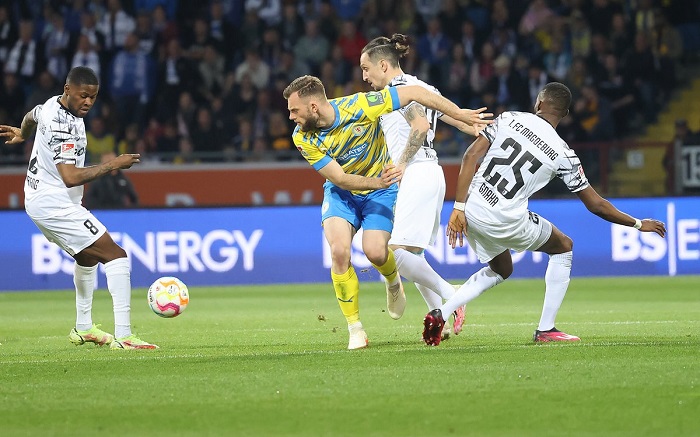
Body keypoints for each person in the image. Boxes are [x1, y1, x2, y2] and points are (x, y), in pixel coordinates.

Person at [422, 82, 667, 346]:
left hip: (471, 210)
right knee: (563, 247)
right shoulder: (564, 154)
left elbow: (470, 156)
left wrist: (458, 207)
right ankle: (546, 329)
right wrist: (637, 223)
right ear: (565, 114)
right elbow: (596, 204)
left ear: (539, 103)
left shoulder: (509, 118)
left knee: (502, 268)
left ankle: (442, 313)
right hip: (506, 219)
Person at [283, 75, 489, 349]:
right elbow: (340, 178)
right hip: (343, 192)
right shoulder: (301, 137)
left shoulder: (359, 106)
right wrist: (378, 182)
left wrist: (459, 113)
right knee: (339, 252)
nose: (291, 117)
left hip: (379, 192)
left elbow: (413, 92)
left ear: (313, 107)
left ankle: (393, 282)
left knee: (376, 252)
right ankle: (355, 328)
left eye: (294, 110)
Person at [0, 66, 157, 350]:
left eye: (93, 97)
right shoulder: (64, 126)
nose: (88, 102)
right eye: (83, 95)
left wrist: (23, 133)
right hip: (54, 203)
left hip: (40, 199)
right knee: (116, 256)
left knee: (87, 257)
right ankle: (124, 337)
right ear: (67, 90)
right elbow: (71, 177)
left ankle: (84, 328)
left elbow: (32, 115)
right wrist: (113, 164)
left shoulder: (51, 104)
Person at [359, 33, 486, 340]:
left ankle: (453, 296)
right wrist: (484, 130)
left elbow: (421, 125)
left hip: (416, 172)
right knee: (414, 253)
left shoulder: (399, 90)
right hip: (430, 172)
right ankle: (438, 317)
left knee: (393, 252)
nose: (364, 77)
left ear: (384, 65)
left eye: (366, 69)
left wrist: (402, 162)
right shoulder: (424, 87)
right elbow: (461, 122)